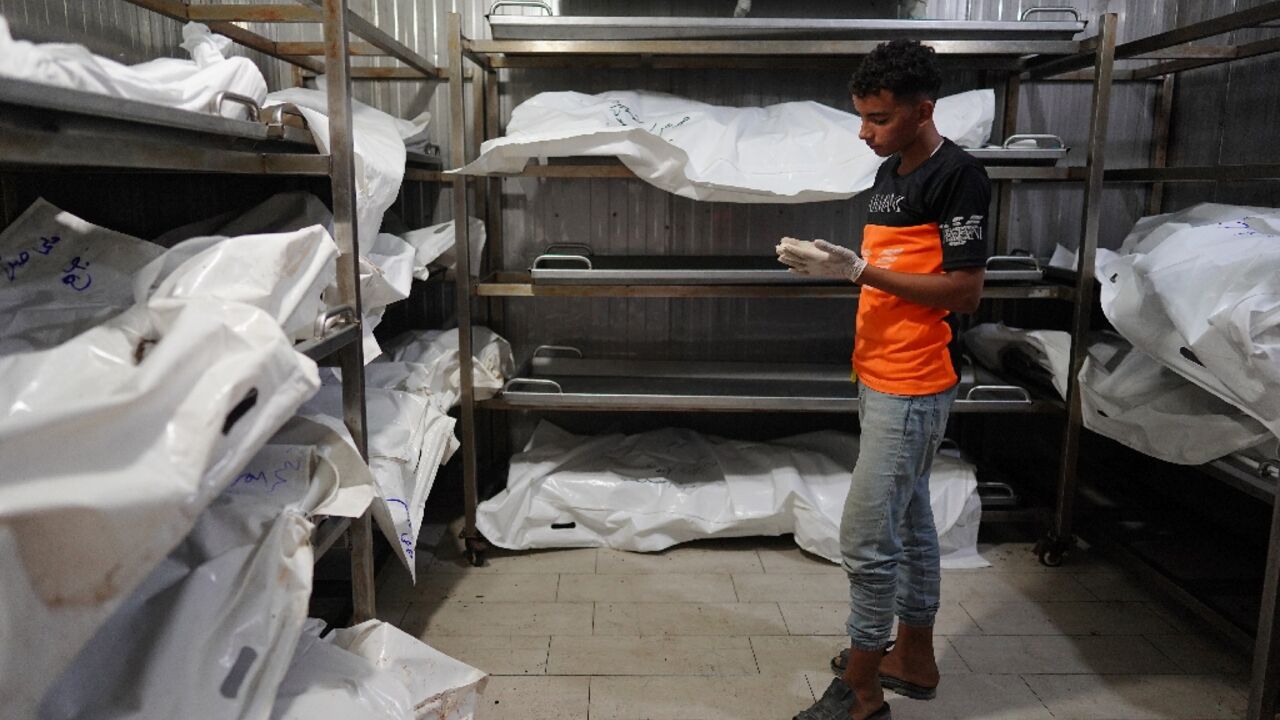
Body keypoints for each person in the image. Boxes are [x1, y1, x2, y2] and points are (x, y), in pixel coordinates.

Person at [778, 38, 991, 720]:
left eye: (878, 118)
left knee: (866, 538)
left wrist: (859, 271)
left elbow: (962, 292)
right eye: (861, 116)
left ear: (923, 109)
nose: (864, 133)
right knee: (911, 519)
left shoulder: (958, 176)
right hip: (878, 372)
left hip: (914, 382)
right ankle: (914, 657)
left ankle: (863, 688)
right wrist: (831, 267)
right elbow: (901, 277)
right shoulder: (892, 171)